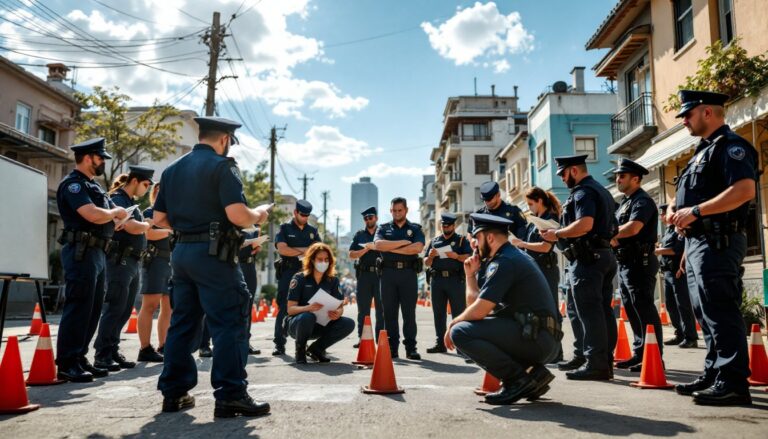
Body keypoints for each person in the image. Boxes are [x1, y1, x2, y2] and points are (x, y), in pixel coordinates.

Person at [154, 116, 272, 417]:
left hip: (181, 253)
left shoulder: (171, 170)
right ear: (224, 139)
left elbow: (159, 221)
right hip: (214, 256)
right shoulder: (223, 167)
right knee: (229, 322)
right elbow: (236, 215)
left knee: (183, 322)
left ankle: (174, 393)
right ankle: (231, 394)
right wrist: (257, 214)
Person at [669, 90, 756, 405]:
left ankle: (733, 382)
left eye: (687, 115)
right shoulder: (701, 152)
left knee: (720, 310)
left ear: (707, 112)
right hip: (698, 243)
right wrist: (678, 212)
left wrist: (695, 211)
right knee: (705, 313)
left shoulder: (731, 147)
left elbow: (744, 190)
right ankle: (714, 373)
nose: (684, 122)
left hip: (718, 241)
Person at [447, 213, 560, 405]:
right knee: (469, 327)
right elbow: (476, 305)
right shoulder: (507, 257)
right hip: (538, 336)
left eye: (477, 238)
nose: (474, 243)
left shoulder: (505, 262)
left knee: (460, 332)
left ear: (489, 238)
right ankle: (534, 375)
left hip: (537, 338)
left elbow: (479, 311)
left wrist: (453, 324)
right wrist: (470, 277)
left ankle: (517, 380)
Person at [55, 138, 129, 382]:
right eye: (100, 158)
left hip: (97, 252)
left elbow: (107, 218)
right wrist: (113, 213)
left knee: (93, 309)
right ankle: (67, 362)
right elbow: (91, 214)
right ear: (88, 158)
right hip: (81, 251)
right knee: (79, 307)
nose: (103, 162)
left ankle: (79, 356)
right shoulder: (74, 185)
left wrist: (117, 217)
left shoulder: (92, 186)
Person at [541, 154, 618, 381]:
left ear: (574, 170)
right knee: (603, 312)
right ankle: (604, 361)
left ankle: (596, 364)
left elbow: (585, 224)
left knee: (590, 313)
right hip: (602, 255)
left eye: (563, 174)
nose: (563, 179)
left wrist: (557, 233)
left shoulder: (584, 192)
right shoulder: (601, 190)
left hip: (588, 259)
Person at [93, 165, 154, 371]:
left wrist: (142, 224)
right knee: (115, 306)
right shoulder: (118, 199)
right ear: (135, 181)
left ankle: (112, 349)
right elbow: (131, 227)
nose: (146, 189)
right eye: (146, 184)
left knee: (125, 309)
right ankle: (102, 354)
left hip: (132, 261)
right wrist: (147, 225)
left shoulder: (130, 204)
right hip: (120, 260)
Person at [610, 159, 663, 373]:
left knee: (644, 309)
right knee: (632, 310)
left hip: (640, 262)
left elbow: (633, 228)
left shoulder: (642, 201)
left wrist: (609, 235)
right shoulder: (625, 202)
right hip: (626, 262)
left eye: (622, 176)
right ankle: (641, 353)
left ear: (636, 179)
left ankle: (654, 356)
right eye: (617, 176)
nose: (618, 179)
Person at [510, 187, 563, 363]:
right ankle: (545, 349)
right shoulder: (535, 220)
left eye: (531, 204)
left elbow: (546, 247)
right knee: (537, 311)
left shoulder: (550, 219)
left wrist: (522, 244)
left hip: (546, 268)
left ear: (540, 200)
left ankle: (556, 351)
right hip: (535, 269)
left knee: (551, 310)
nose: (530, 207)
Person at [286, 242, 355, 364]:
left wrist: (337, 313)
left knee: (348, 324)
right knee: (308, 316)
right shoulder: (299, 278)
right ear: (312, 260)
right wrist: (308, 308)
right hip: (298, 325)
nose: (323, 262)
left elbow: (340, 307)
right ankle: (300, 350)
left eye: (326, 259)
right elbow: (290, 309)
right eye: (320, 259)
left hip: (322, 324)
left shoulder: (332, 280)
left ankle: (317, 349)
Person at [373, 197, 425, 360]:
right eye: (394, 210)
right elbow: (378, 246)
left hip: (408, 274)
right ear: (390, 211)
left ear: (406, 210)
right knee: (389, 313)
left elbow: (417, 248)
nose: (396, 213)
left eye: (400, 210)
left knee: (409, 312)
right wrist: (403, 243)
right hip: (388, 274)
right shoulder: (383, 228)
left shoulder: (415, 229)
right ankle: (392, 348)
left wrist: (392, 247)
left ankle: (411, 348)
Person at [198, 228, 263, 358]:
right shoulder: (229, 223)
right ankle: (204, 345)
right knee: (216, 305)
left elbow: (255, 250)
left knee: (247, 307)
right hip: (231, 265)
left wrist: (257, 248)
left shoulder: (254, 228)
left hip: (249, 267)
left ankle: (244, 342)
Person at [273, 200, 321, 356]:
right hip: (288, 272)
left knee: (308, 307)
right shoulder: (284, 228)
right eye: (302, 214)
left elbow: (318, 251)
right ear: (295, 213)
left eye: (307, 215)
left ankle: (304, 345)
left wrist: (297, 250)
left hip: (307, 273)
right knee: (284, 307)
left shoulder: (313, 231)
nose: (305, 217)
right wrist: (306, 250)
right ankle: (279, 344)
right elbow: (282, 249)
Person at [424, 213, 471, 355]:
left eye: (448, 225)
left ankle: (460, 345)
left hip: (455, 280)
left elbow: (470, 256)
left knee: (458, 312)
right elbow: (426, 262)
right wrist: (430, 257)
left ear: (454, 226)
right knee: (438, 313)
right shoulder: (434, 241)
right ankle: (440, 343)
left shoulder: (461, 241)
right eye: (443, 225)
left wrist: (457, 256)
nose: (446, 227)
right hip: (437, 280)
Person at [137, 182, 173, 363]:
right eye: (158, 192)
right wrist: (169, 231)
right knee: (150, 306)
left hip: (170, 262)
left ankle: (163, 344)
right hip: (155, 261)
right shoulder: (149, 213)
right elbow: (148, 234)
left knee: (168, 307)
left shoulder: (171, 216)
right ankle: (144, 348)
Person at [655, 204, 698, 349]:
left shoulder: (678, 229)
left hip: (677, 272)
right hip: (667, 272)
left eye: (663, 214)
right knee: (671, 305)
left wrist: (658, 251)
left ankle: (691, 336)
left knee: (683, 305)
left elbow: (676, 250)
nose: (662, 216)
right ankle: (679, 333)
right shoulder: (668, 231)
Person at [348, 206, 384, 346]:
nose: (368, 220)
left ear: (376, 218)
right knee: (363, 310)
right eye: (366, 218)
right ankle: (362, 338)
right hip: (364, 276)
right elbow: (351, 254)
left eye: (371, 217)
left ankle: (381, 339)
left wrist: (377, 247)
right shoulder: (359, 235)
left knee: (381, 309)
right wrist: (366, 249)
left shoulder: (382, 233)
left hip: (380, 275)